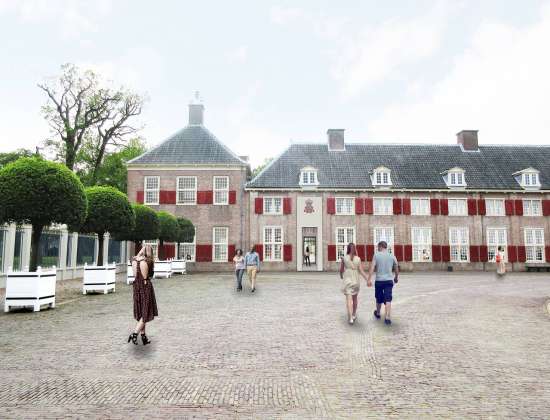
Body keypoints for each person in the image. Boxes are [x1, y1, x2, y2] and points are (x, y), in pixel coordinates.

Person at [128, 245, 158, 345]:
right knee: (145, 313)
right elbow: (145, 278)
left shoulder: (134, 261)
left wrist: (142, 250)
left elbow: (136, 275)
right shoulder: (146, 262)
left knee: (141, 312)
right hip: (145, 287)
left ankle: (143, 336)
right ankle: (134, 334)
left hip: (136, 287)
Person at [367, 241, 399, 325]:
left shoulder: (376, 255)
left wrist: (369, 279)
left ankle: (378, 313)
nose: (377, 249)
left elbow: (372, 267)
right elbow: (396, 267)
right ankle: (387, 317)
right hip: (388, 280)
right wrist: (396, 277)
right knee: (388, 298)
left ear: (381, 246)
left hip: (379, 281)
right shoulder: (392, 255)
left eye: (378, 247)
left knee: (378, 297)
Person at [339, 243, 369, 325]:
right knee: (355, 299)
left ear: (348, 249)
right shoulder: (358, 259)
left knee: (349, 300)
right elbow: (361, 271)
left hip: (348, 280)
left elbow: (341, 270)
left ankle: (350, 318)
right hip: (356, 280)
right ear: (355, 249)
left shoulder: (344, 258)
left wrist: (341, 275)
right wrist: (367, 280)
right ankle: (354, 314)